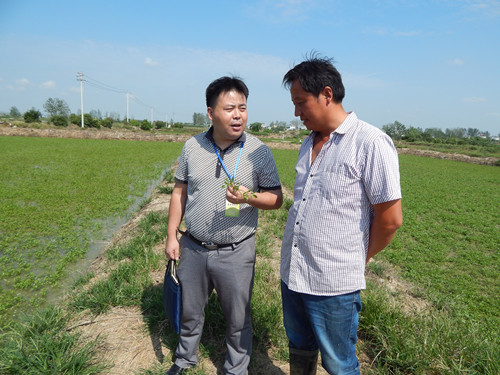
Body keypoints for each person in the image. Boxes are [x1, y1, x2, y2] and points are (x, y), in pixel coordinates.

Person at [280, 55, 403, 375]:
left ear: (327, 94)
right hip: (293, 272)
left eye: (300, 102)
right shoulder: (308, 144)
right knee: (299, 346)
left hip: (334, 282)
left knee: (338, 361)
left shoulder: (370, 142)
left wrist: (358, 258)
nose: (296, 112)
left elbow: (390, 219)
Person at [164, 76, 283, 375]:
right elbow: (179, 192)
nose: (238, 115)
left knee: (238, 316)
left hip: (236, 250)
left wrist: (249, 197)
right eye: (230, 108)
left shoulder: (258, 151)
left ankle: (235, 369)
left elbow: (277, 198)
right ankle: (184, 358)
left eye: (242, 108)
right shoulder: (192, 147)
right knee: (190, 311)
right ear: (210, 112)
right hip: (194, 245)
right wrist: (171, 236)